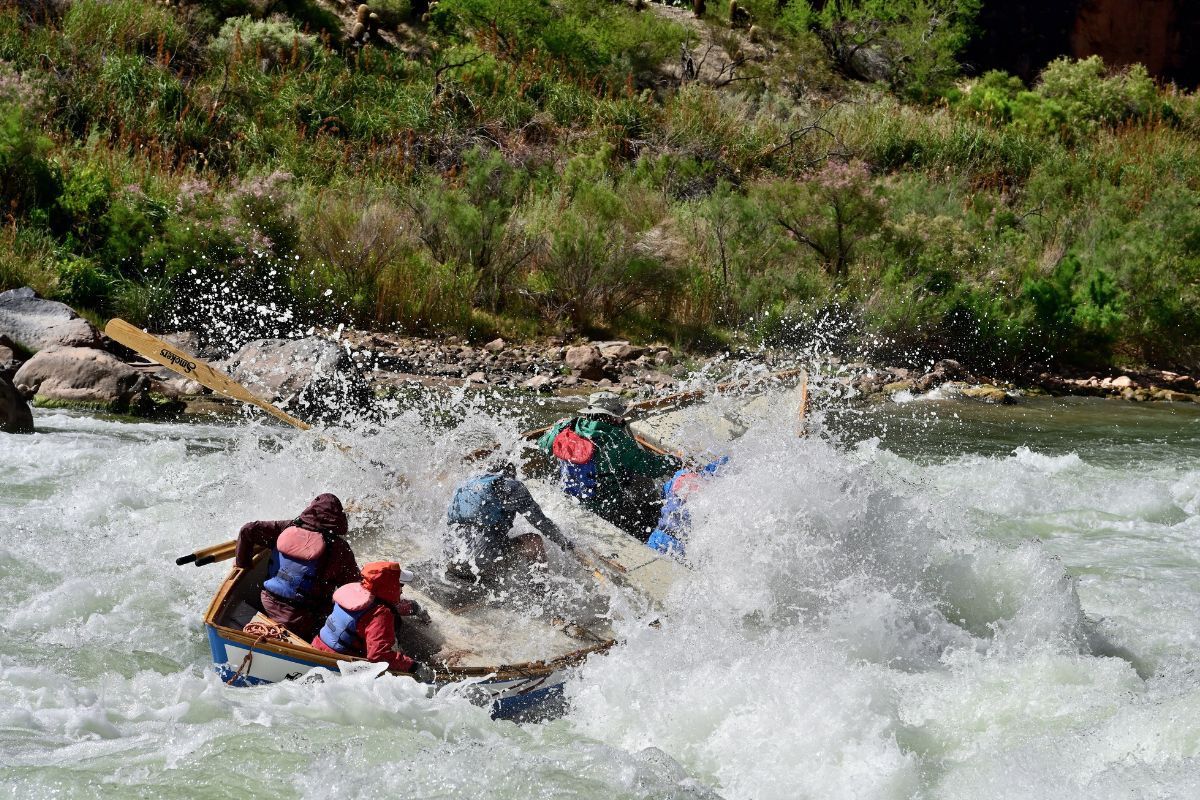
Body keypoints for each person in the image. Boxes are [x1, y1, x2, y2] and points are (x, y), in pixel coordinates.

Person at [538, 392, 682, 541]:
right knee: (646, 515)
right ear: (612, 417)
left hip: (569, 498)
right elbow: (652, 468)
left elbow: (542, 444)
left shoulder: (567, 426)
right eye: (619, 415)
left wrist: (556, 428)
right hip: (607, 508)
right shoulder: (615, 440)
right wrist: (676, 460)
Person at [234, 493, 361, 641]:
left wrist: (243, 564)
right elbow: (353, 589)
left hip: (266, 603)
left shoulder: (287, 527)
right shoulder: (340, 549)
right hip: (302, 619)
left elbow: (247, 529)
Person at [445, 460, 575, 584]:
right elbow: (540, 522)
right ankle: (540, 595)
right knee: (534, 541)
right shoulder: (509, 485)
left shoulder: (465, 485)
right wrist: (563, 541)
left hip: (450, 560)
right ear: (511, 475)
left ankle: (482, 577)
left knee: (490, 540)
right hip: (478, 563)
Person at [312, 561, 436, 682]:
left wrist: (415, 608)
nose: (402, 590)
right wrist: (414, 666)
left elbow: (391, 604)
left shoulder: (355, 590)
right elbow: (378, 656)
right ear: (390, 586)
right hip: (339, 664)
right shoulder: (381, 613)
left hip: (317, 647)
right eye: (401, 585)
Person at [646, 457, 729, 557]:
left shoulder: (678, 477)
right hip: (680, 545)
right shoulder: (705, 490)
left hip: (659, 536)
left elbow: (664, 494)